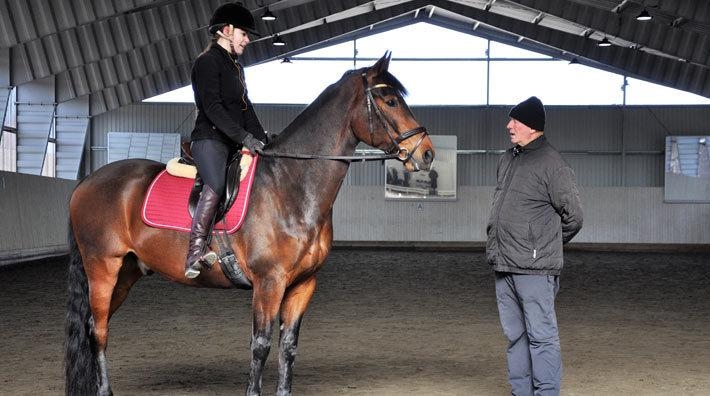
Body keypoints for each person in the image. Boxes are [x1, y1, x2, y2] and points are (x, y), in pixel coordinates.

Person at [486, 96, 583, 395]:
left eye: (515, 121)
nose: (509, 125)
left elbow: (574, 217)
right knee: (515, 336)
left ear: (532, 127)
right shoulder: (508, 158)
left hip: (535, 269)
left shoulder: (553, 164)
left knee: (542, 337)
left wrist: (542, 245)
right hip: (504, 264)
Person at [184, 2, 267, 279]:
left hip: (231, 141)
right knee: (216, 183)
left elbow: (247, 109)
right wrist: (244, 137)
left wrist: (263, 141)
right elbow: (212, 108)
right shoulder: (207, 62)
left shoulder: (236, 68)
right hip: (209, 139)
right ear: (226, 31)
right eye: (244, 34)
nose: (247, 40)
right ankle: (195, 251)